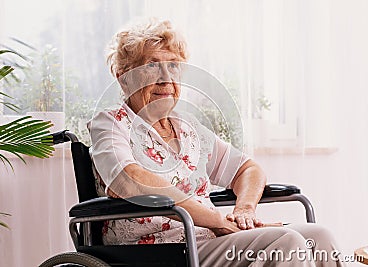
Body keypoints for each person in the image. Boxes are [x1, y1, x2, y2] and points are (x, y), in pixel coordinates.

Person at [88, 18, 344, 267]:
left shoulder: (189, 129)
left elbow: (248, 169)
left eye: (174, 66)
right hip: (156, 250)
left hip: (206, 240)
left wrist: (244, 210)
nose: (166, 78)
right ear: (124, 77)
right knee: (285, 243)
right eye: (152, 66)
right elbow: (129, 180)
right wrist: (216, 220)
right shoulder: (111, 123)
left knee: (319, 237)